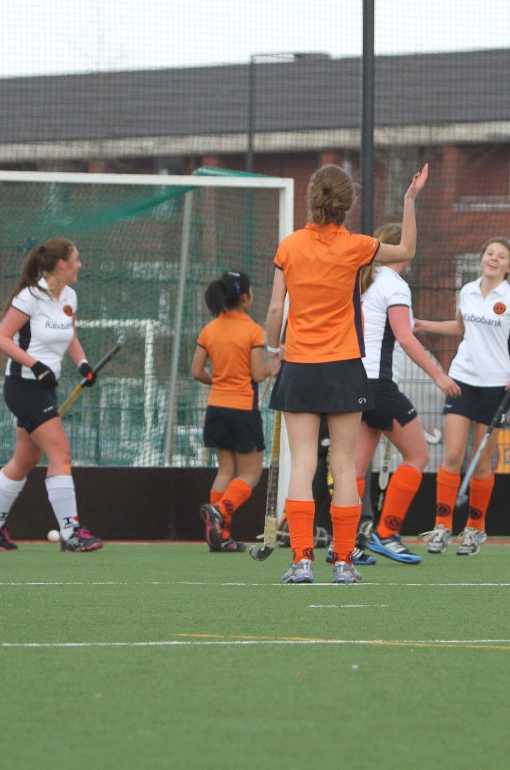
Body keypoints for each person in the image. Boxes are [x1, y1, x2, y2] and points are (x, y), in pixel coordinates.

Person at [265, 162, 428, 584]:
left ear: (311, 199)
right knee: (342, 464)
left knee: (303, 463)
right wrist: (409, 200)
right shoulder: (357, 246)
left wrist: (272, 351)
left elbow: (275, 309)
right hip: (344, 367)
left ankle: (302, 561)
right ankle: (342, 562)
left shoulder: (289, 246)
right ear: (348, 204)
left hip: (300, 366)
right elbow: (407, 250)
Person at [416, 237, 510, 555]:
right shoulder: (467, 291)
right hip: (461, 379)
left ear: (509, 266)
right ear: (481, 258)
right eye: (490, 253)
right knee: (452, 454)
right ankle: (441, 527)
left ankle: (475, 529)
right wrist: (422, 324)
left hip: (496, 387)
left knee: (482, 461)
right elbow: (460, 329)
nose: (493, 259)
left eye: (501, 256)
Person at [0, 239, 102, 552]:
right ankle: (71, 532)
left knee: (25, 459)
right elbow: (2, 338)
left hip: (46, 387)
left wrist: (83, 364)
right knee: (61, 452)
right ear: (61, 264)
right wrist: (35, 365)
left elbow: (69, 336)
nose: (80, 265)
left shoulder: (69, 296)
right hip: (24, 386)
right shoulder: (30, 297)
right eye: (76, 259)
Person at [351, 223, 459, 565]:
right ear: (403, 251)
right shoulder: (395, 285)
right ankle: (387, 532)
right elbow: (405, 337)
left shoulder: (362, 280)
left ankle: (346, 545)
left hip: (353, 383)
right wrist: (439, 375)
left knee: (355, 468)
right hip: (380, 386)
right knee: (417, 456)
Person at [192, 271, 267, 553]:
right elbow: (257, 374)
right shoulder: (253, 330)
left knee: (226, 470)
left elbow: (196, 371)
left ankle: (221, 536)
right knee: (250, 474)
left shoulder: (209, 329)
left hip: (216, 409)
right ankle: (221, 511)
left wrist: (219, 381)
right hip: (243, 409)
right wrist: (276, 364)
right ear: (245, 297)